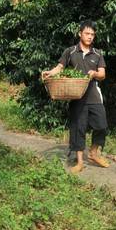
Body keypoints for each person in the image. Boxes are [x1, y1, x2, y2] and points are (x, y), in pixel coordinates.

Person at [41, 20, 109, 173]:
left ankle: (93, 152)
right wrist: (50, 73)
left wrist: (95, 74)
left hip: (93, 97)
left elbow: (103, 74)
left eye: (92, 34)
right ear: (80, 34)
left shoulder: (97, 53)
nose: (90, 36)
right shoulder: (70, 51)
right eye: (87, 33)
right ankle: (79, 162)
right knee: (78, 128)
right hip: (77, 97)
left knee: (102, 126)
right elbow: (60, 67)